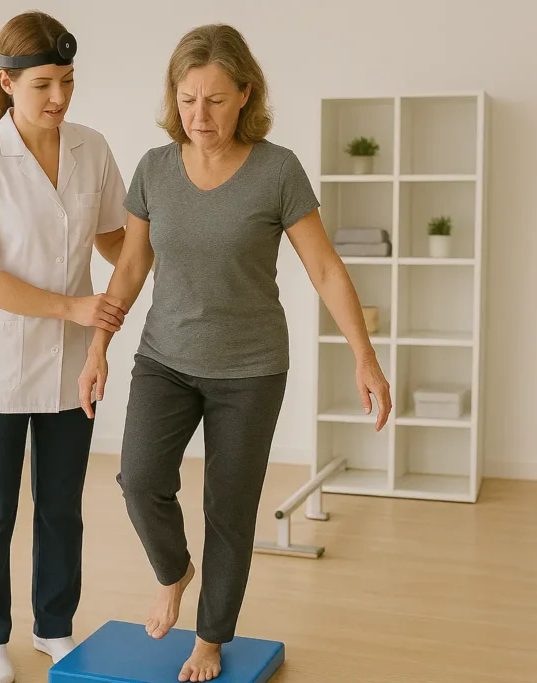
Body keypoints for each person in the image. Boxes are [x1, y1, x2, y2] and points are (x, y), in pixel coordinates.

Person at [78, 23, 392, 683]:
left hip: (250, 370)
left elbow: (327, 270)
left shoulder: (277, 171)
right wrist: (99, 343)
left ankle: (212, 636)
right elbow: (130, 268)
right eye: (188, 98)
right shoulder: (154, 169)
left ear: (245, 94)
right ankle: (174, 571)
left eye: (216, 100)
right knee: (139, 479)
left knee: (229, 506)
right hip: (165, 358)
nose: (200, 115)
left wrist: (364, 356)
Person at [0, 10, 130, 683]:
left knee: (61, 506)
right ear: (8, 81)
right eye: (44, 84)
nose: (59, 98)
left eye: (69, 81)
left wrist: (162, 240)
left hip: (70, 365)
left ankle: (54, 625)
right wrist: (72, 305)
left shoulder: (92, 147)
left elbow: (114, 238)